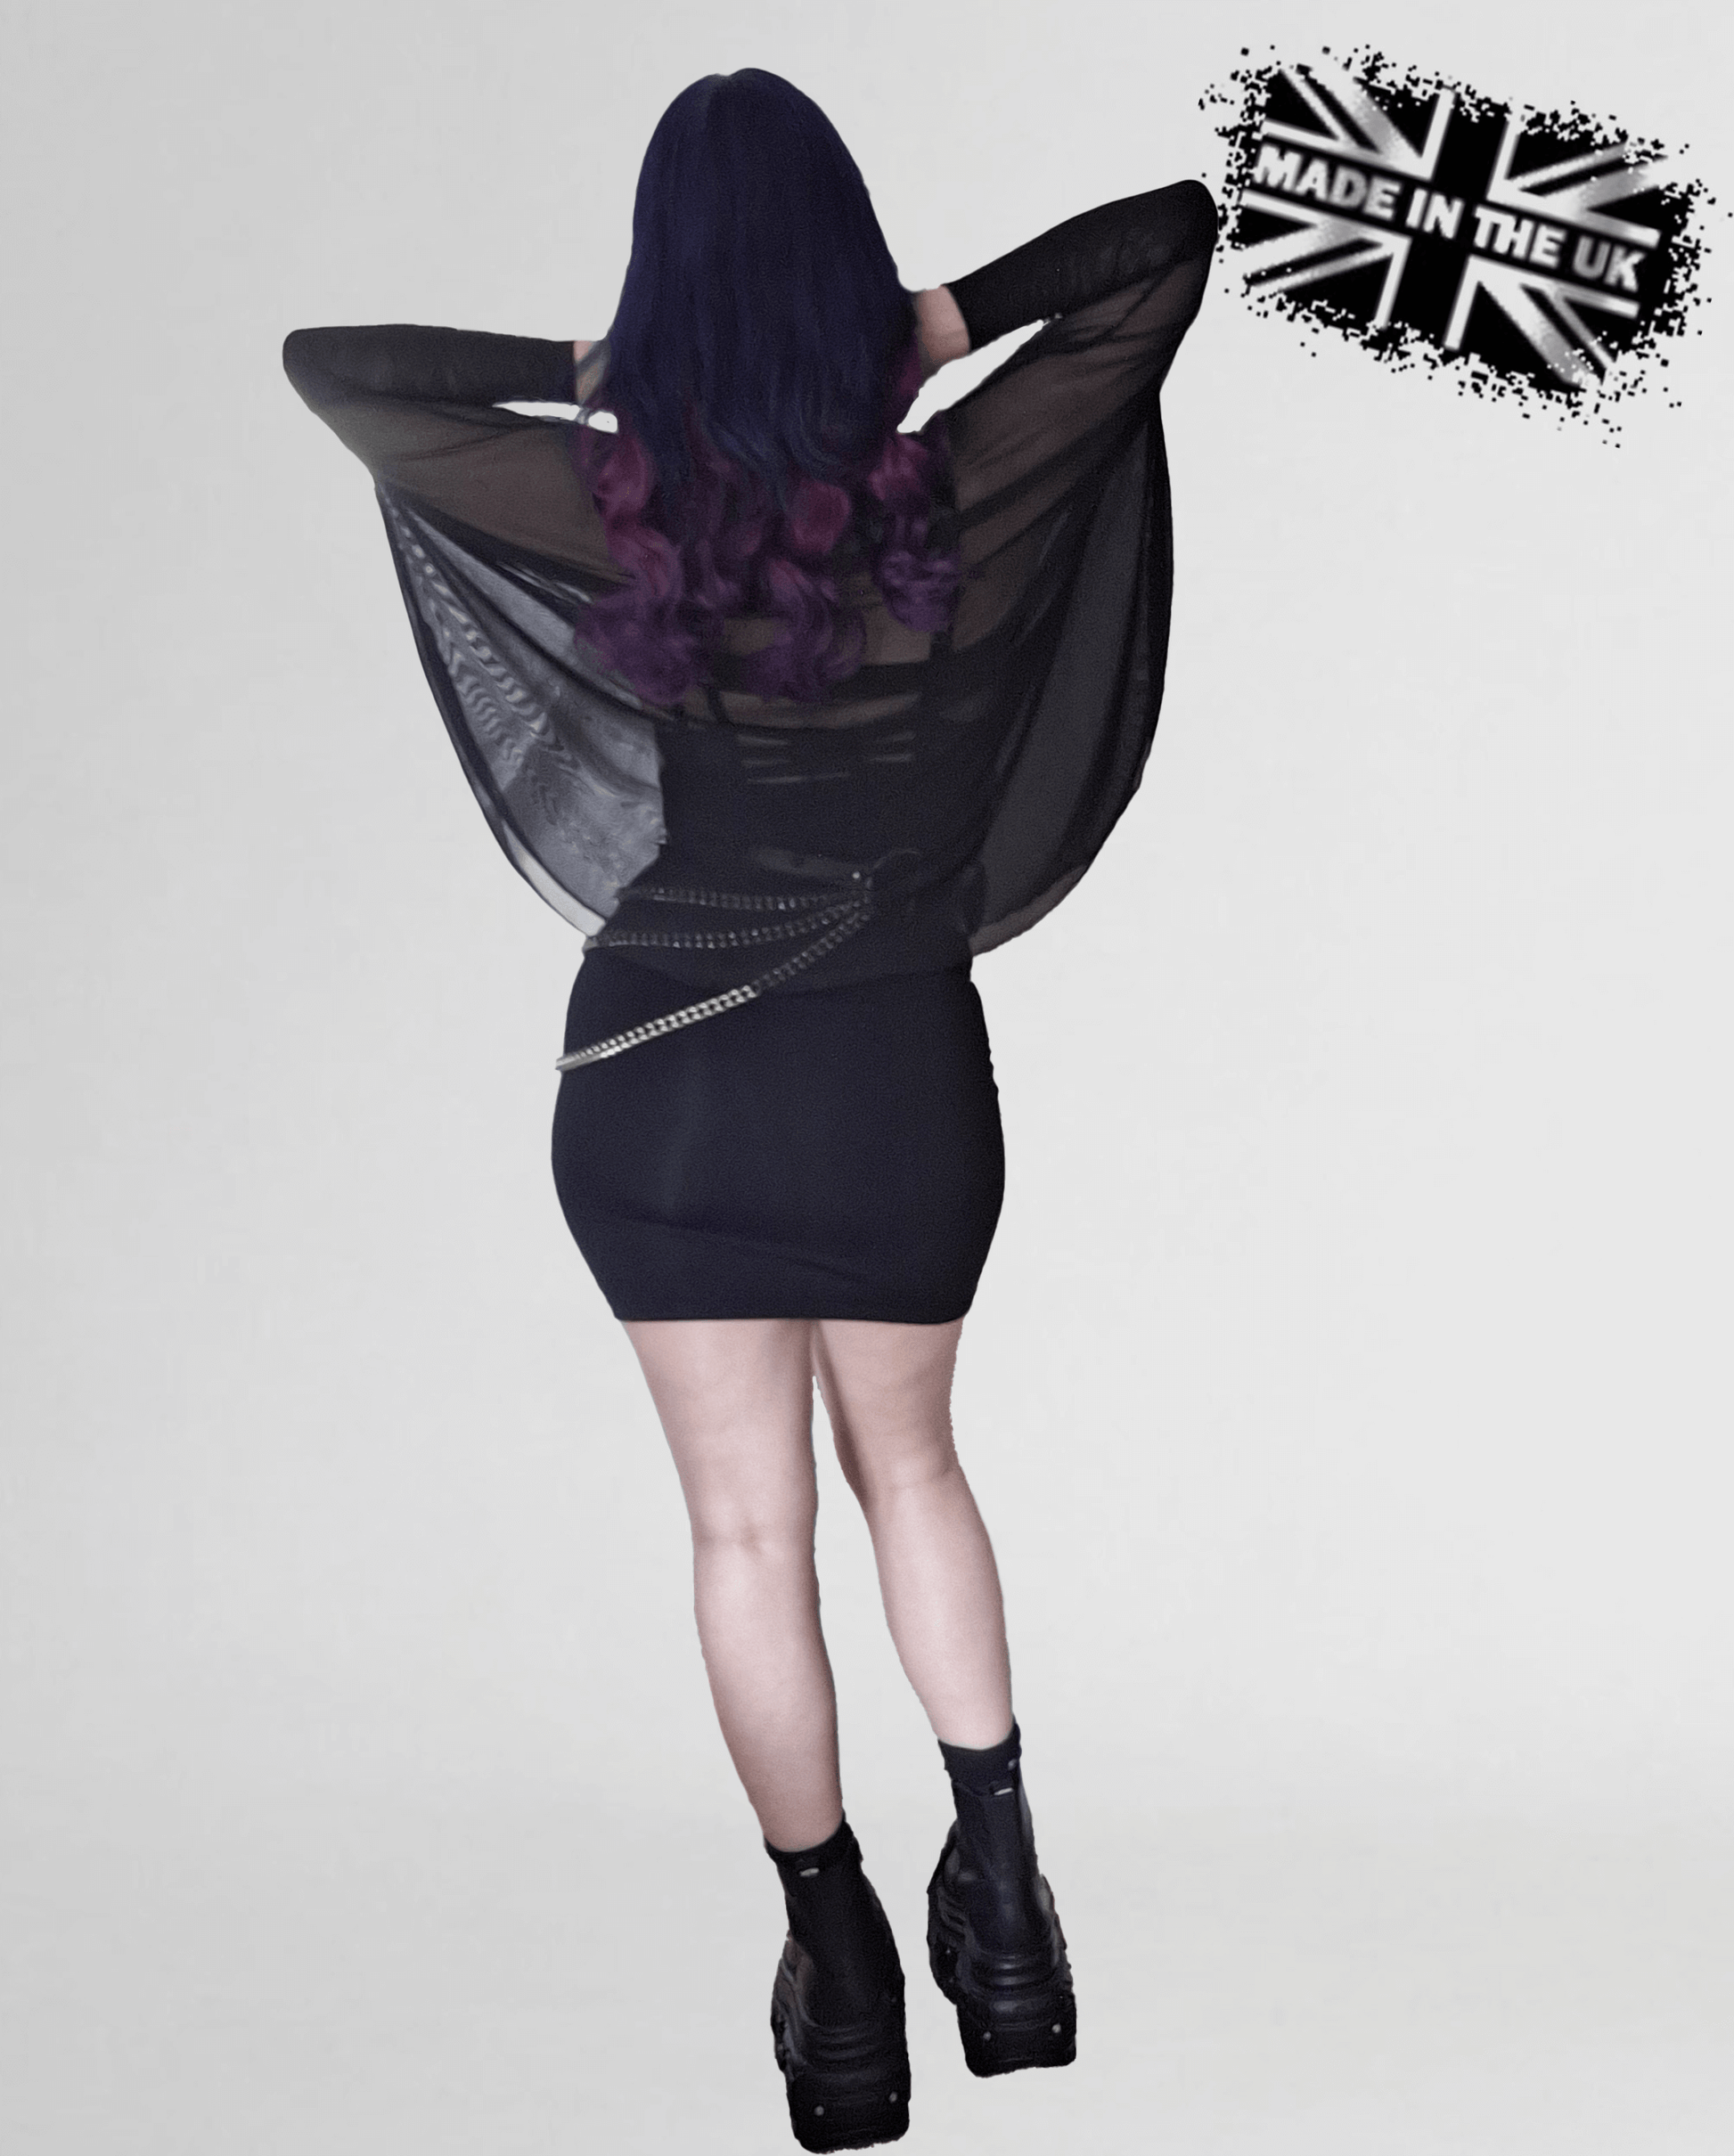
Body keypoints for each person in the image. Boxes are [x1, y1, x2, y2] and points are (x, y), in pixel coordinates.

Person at [284, 67, 1215, 2152]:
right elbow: (1165, 242)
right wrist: (935, 327)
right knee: (915, 1470)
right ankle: (1003, 1895)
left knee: (742, 1530)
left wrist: (607, 373)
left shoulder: (615, 504)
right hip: (891, 1076)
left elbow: (332, 367)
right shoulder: (960, 485)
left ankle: (838, 1956)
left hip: (665, 1078)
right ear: (842, 273)